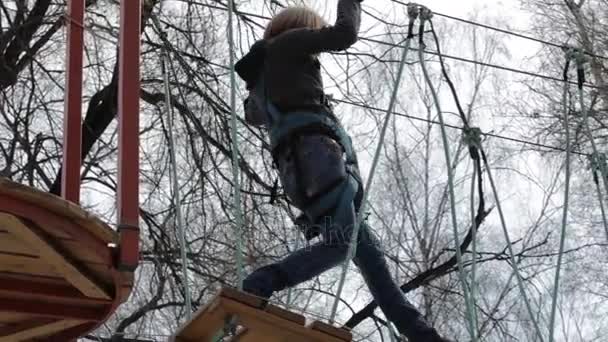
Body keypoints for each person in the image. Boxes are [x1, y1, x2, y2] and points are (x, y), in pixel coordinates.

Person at [235, 1, 451, 341]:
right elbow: (343, 34)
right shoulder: (288, 45)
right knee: (341, 246)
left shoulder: (264, 77)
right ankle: (263, 281)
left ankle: (423, 335)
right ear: (299, 28)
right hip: (318, 162)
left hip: (303, 172)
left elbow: (254, 114)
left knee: (373, 265)